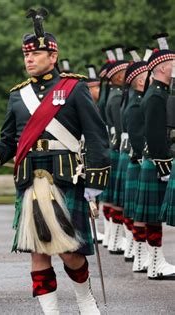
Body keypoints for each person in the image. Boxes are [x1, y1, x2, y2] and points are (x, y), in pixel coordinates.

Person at [0, 9, 109, 314]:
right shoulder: (18, 96)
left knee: (69, 252)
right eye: (26, 54)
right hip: (30, 181)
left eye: (36, 54)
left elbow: (96, 138)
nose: (29, 59)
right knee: (37, 253)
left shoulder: (74, 88)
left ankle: (85, 299)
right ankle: (50, 311)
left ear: (52, 57)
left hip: (66, 179)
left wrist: (95, 185)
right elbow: (7, 144)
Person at [134, 33, 175, 280]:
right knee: (152, 218)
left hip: (154, 161)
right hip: (158, 161)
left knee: (152, 218)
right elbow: (154, 134)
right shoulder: (156, 96)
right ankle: (156, 263)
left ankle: (155, 262)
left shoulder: (156, 94)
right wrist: (164, 167)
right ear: (162, 68)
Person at [122, 49, 152, 273]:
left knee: (142, 214)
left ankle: (144, 257)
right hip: (139, 160)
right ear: (141, 81)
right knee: (141, 215)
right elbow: (136, 136)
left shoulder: (138, 100)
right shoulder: (135, 104)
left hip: (140, 161)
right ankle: (142, 258)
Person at [101, 46, 129, 255]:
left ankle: (114, 238)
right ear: (118, 77)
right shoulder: (117, 97)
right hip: (120, 150)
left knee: (114, 199)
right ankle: (122, 241)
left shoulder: (112, 95)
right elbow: (122, 132)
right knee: (121, 201)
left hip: (113, 150)